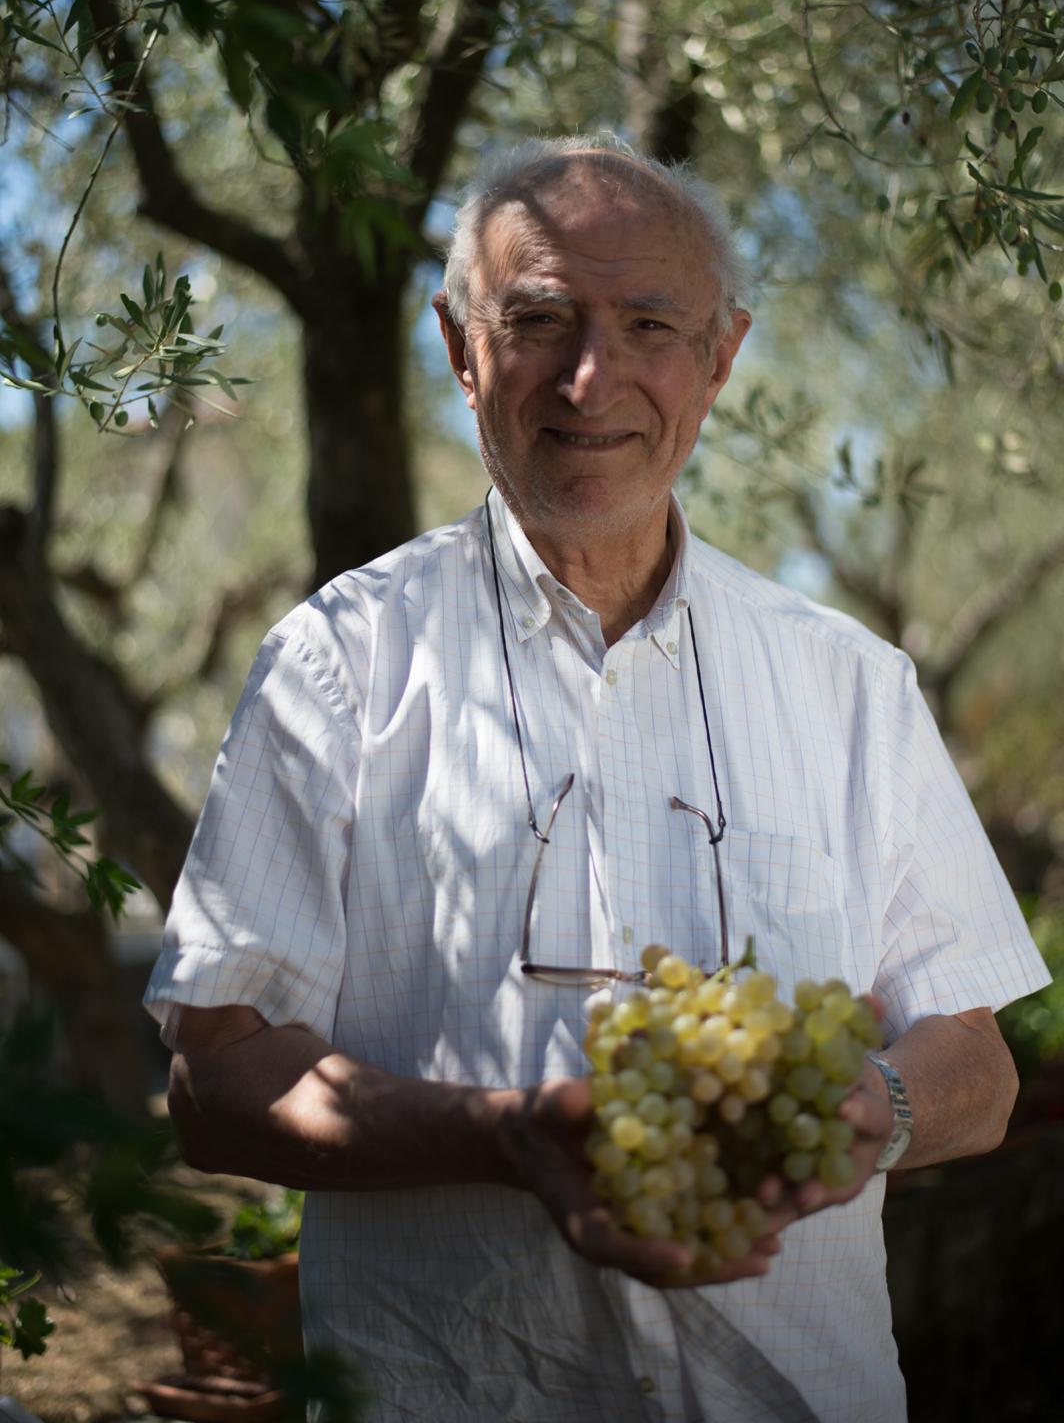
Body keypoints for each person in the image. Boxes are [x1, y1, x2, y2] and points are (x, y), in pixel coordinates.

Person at [146, 135, 1049, 1423]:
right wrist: (502, 1132)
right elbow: (217, 1085)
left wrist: (883, 1109)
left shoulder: (849, 684)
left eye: (649, 323)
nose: (591, 375)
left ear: (723, 358)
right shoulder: (337, 664)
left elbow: (980, 1060)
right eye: (540, 319)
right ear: (461, 349)